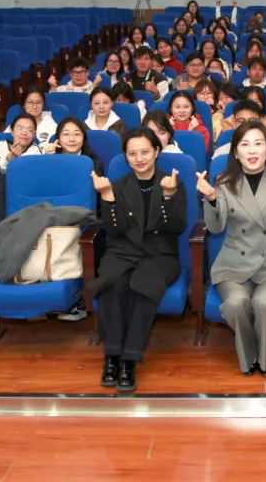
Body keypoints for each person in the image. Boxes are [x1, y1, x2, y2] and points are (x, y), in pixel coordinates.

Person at [198, 121, 266, 375]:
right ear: (235, 152)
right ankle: (249, 355)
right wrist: (211, 199)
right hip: (233, 263)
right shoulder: (223, 182)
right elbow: (216, 227)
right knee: (236, 303)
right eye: (245, 144)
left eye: (258, 144)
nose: (252, 150)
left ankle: (265, 357)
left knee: (264, 302)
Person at [90, 128, 186, 393]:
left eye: (145, 152)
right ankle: (111, 356)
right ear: (125, 156)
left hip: (160, 255)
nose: (139, 158)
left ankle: (129, 360)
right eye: (132, 153)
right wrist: (108, 199)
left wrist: (168, 197)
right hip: (122, 251)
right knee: (112, 283)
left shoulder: (172, 182)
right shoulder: (117, 185)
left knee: (143, 286)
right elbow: (114, 230)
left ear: (156, 152)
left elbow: (176, 227)